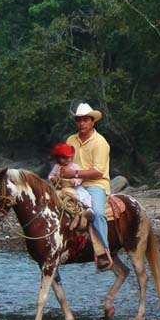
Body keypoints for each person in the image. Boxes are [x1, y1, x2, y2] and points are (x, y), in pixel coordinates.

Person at [58, 103, 113, 270]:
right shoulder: (70, 140)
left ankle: (104, 251)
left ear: (92, 122)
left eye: (85, 120)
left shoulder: (100, 142)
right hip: (73, 184)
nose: (82, 123)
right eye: (79, 120)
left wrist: (73, 174)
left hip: (95, 184)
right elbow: (65, 161)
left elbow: (98, 171)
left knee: (96, 213)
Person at [48, 142, 93, 208]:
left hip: (74, 188)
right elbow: (51, 175)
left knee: (82, 195)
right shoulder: (57, 167)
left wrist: (74, 181)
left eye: (68, 157)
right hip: (60, 188)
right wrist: (52, 178)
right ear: (58, 158)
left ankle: (88, 208)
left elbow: (80, 178)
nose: (67, 160)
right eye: (63, 157)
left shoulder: (74, 166)